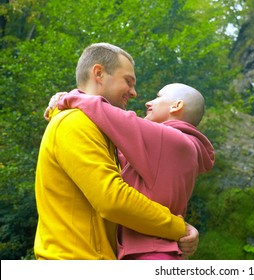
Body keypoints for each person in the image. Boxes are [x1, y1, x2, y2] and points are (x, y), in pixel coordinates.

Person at [34, 43, 198, 260]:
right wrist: (179, 228)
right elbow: (113, 199)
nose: (134, 92)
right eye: (128, 81)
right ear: (99, 74)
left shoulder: (101, 133)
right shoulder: (74, 123)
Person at [52, 83, 214, 260]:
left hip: (151, 254)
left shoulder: (170, 139)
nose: (148, 103)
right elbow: (113, 158)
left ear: (176, 106)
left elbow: (112, 116)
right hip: (155, 250)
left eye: (158, 97)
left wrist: (70, 97)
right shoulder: (175, 148)